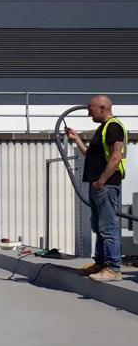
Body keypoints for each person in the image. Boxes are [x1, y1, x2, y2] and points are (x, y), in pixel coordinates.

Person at [65, 95, 127, 282]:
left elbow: (116, 157)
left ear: (102, 108)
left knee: (108, 228)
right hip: (99, 185)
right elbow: (91, 155)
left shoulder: (114, 127)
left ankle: (114, 269)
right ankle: (100, 264)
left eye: (90, 110)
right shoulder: (102, 129)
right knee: (99, 227)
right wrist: (76, 139)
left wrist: (102, 181)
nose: (88, 113)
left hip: (106, 185)